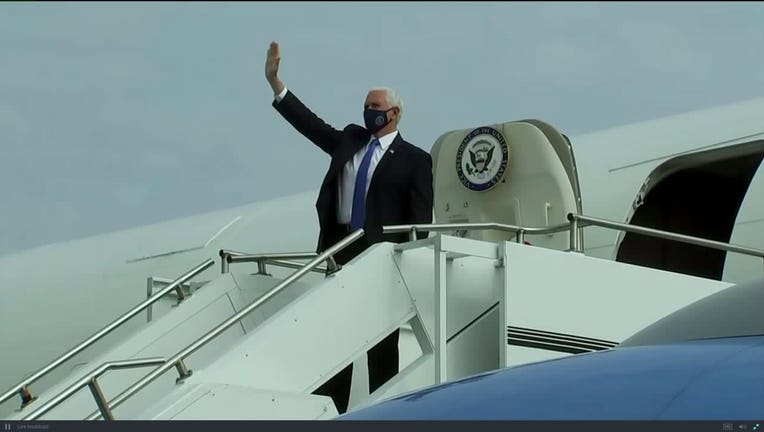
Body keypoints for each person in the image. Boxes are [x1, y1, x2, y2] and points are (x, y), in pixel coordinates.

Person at [264, 41, 433, 414]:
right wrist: (277, 84)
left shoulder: (416, 160)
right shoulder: (351, 139)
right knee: (336, 338)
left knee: (380, 346)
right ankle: (331, 413)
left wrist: (412, 269)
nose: (368, 111)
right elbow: (309, 124)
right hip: (340, 250)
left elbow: (421, 222)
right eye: (366, 105)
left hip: (381, 258)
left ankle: (384, 412)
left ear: (394, 113)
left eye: (375, 107)